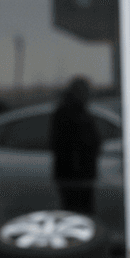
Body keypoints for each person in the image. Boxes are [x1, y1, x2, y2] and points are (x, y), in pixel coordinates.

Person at [49, 77, 101, 215]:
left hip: (78, 174)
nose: (87, 95)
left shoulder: (79, 112)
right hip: (75, 175)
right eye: (84, 92)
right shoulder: (70, 114)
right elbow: (65, 145)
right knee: (77, 213)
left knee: (79, 212)